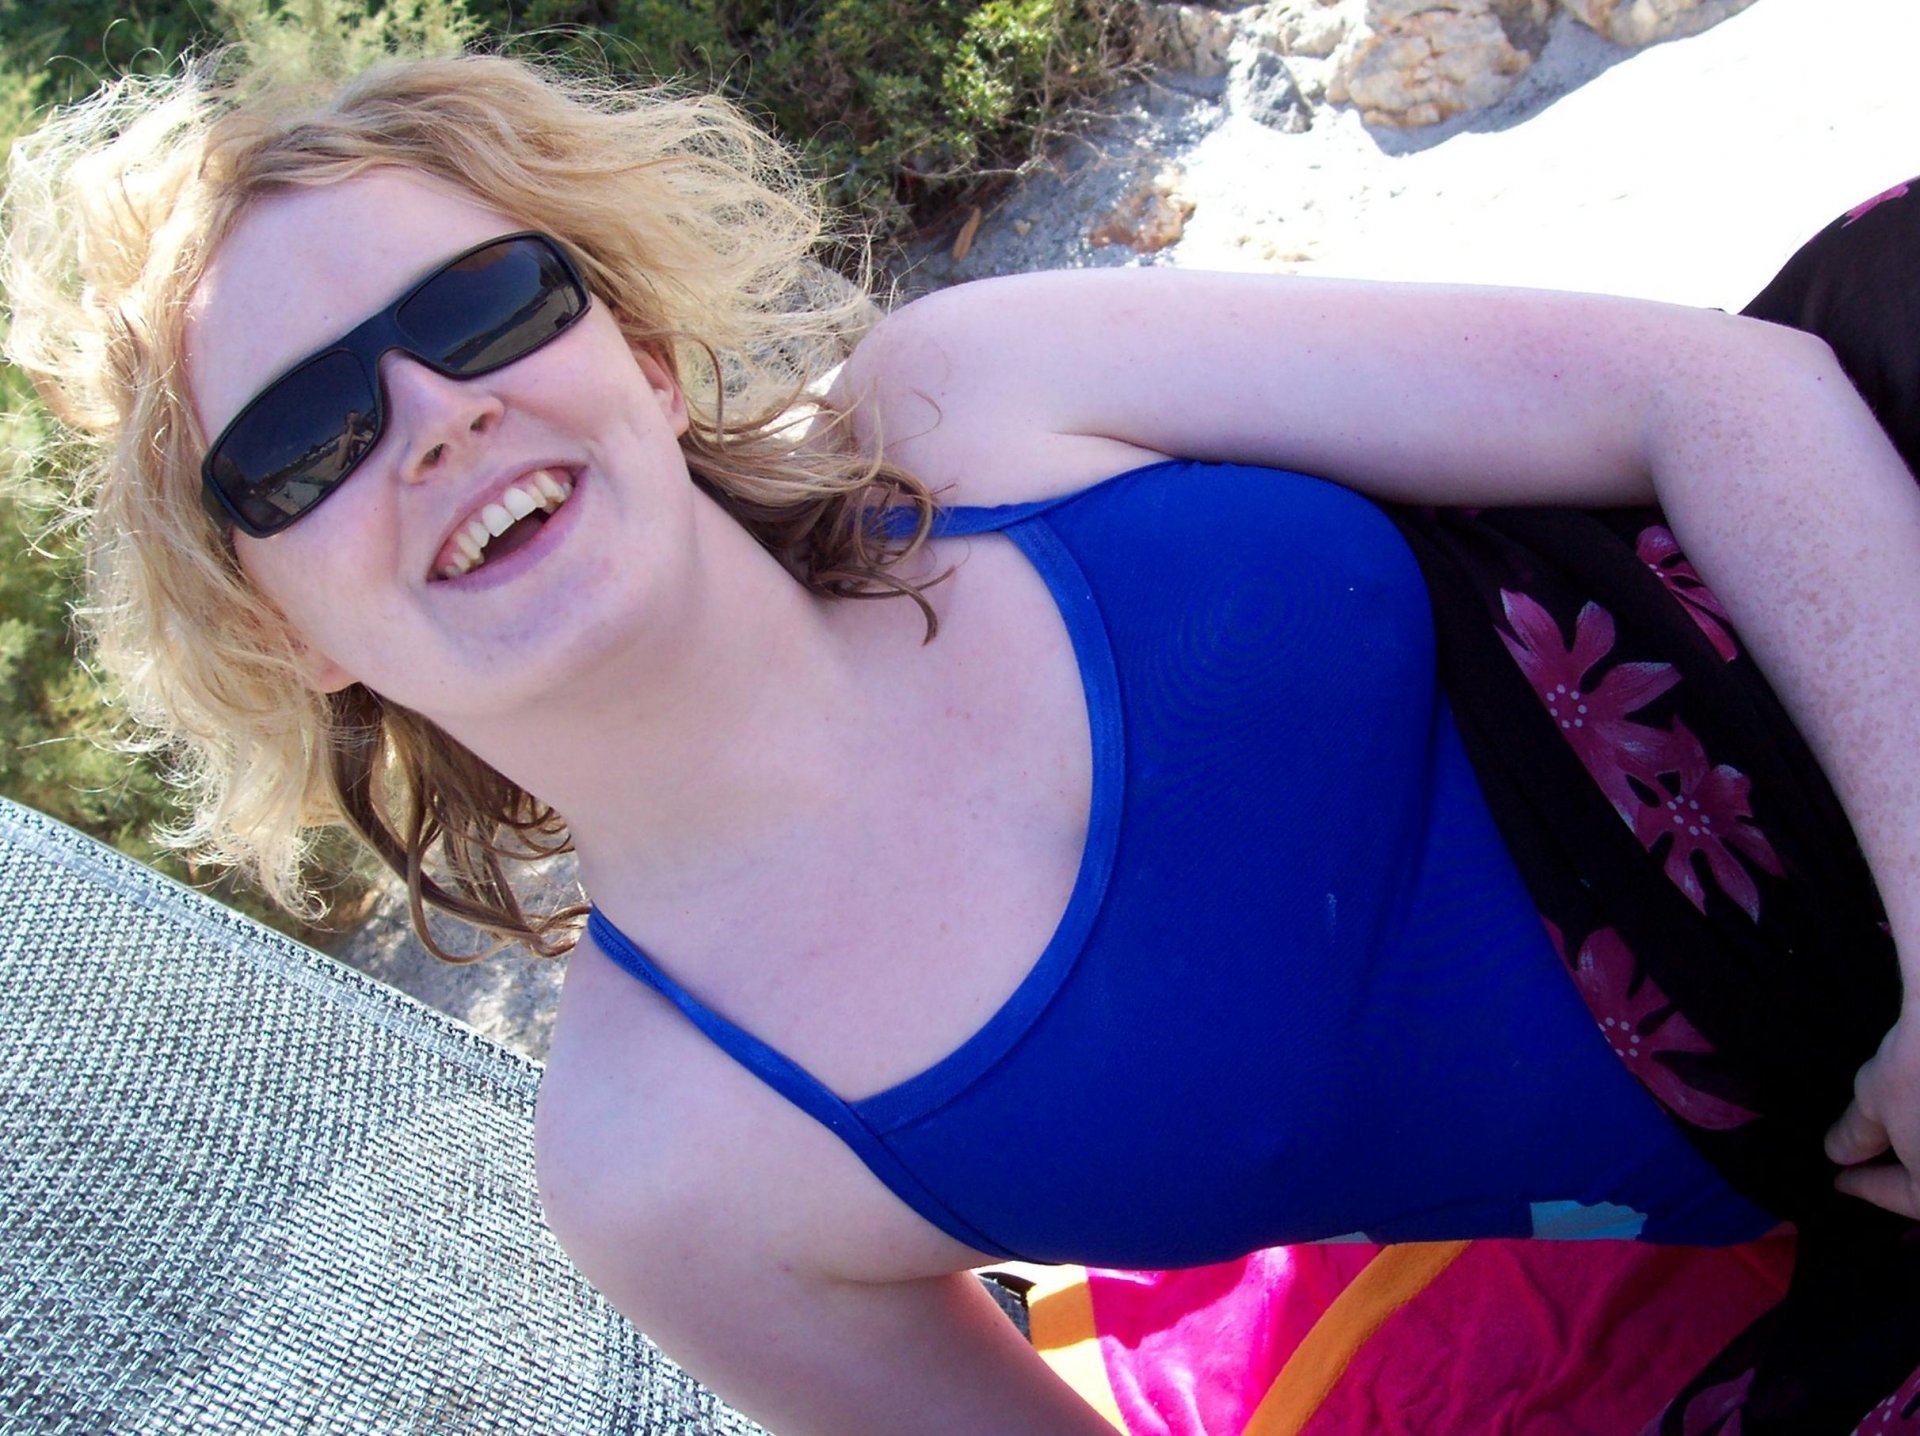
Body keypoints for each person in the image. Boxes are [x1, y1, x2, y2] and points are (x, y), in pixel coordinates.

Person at [6, 46, 1917, 1435]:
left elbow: (1722, 396)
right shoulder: (668, 1162)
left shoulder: (973, 401)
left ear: (639, 359)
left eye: (486, 307)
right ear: (277, 630)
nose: (437, 411)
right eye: (307, 440)